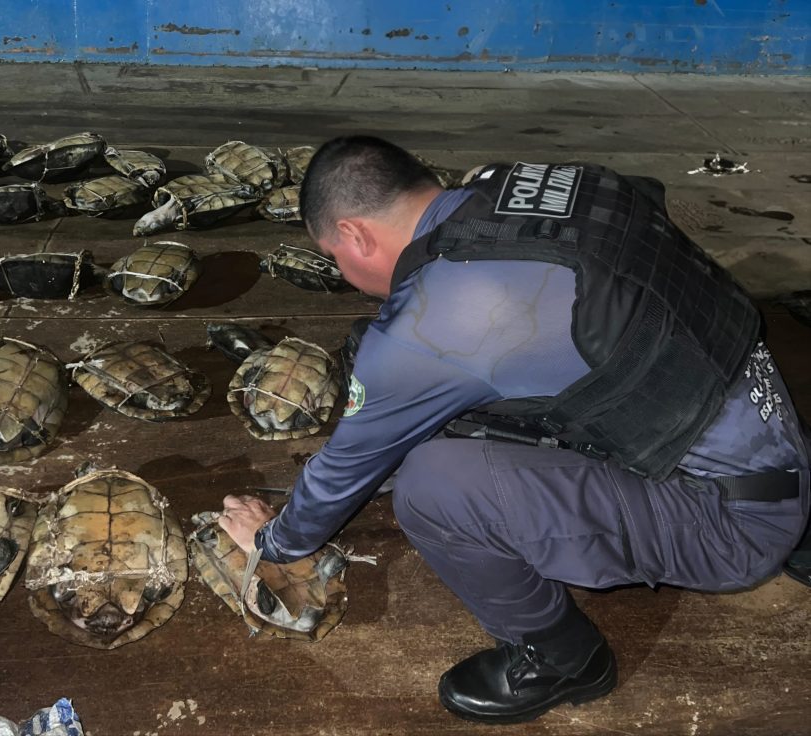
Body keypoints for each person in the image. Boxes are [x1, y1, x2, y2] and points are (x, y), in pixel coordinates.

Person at [218, 136, 810, 725]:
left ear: (354, 235)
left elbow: (344, 467)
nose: (346, 276)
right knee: (457, 397)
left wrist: (272, 542)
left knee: (433, 487)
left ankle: (564, 660)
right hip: (769, 434)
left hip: (735, 526)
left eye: (337, 260)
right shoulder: (536, 185)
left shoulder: (431, 324)